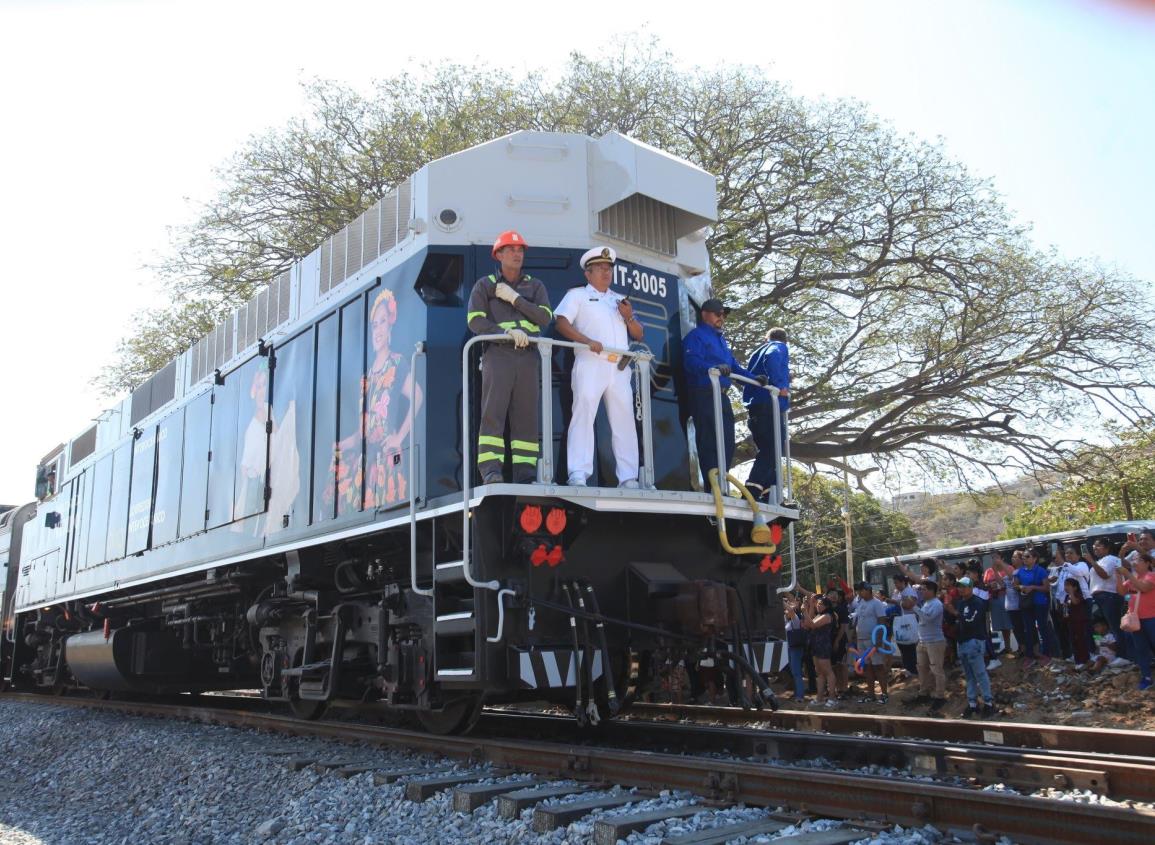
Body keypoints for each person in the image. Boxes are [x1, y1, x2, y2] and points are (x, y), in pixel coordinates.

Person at [553, 246, 645, 488]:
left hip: (619, 368)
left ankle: (628, 477)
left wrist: (629, 316)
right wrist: (586, 341)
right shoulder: (577, 296)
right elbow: (561, 322)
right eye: (601, 269)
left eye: (609, 269)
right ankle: (578, 474)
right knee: (583, 415)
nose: (606, 273)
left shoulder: (619, 300)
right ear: (588, 273)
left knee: (624, 420)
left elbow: (639, 334)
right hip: (590, 361)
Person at [466, 231, 553, 484]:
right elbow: (475, 321)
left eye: (520, 250)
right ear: (499, 254)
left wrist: (516, 299)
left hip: (528, 358)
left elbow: (545, 318)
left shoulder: (535, 286)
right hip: (498, 355)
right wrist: (504, 333)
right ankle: (491, 471)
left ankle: (525, 475)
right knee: (493, 413)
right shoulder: (485, 285)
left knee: (526, 417)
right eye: (511, 249)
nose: (517, 254)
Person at [682, 298, 754, 485]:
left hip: (721, 395)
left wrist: (756, 379)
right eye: (718, 314)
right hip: (703, 392)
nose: (722, 317)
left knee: (727, 441)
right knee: (709, 440)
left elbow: (734, 368)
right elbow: (691, 362)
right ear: (705, 314)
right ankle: (711, 485)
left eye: (724, 314)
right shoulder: (696, 336)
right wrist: (713, 367)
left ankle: (721, 481)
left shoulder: (721, 340)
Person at [742, 327, 789, 502]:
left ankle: (770, 492)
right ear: (785, 340)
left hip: (756, 408)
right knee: (773, 449)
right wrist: (780, 386)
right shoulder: (778, 346)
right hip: (769, 406)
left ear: (765, 338)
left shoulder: (757, 352)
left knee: (770, 452)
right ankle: (752, 489)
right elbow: (773, 357)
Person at [954, 577, 996, 718]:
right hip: (962, 642)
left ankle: (989, 703)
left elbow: (971, 621)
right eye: (959, 586)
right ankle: (972, 704)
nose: (961, 589)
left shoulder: (977, 602)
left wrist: (956, 615)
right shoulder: (960, 603)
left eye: (964, 586)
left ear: (971, 587)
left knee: (980, 673)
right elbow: (959, 623)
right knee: (969, 675)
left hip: (974, 641)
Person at [1116, 544, 1155, 691]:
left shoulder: (1151, 576)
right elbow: (1121, 591)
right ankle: (1146, 677)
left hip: (1152, 618)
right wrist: (1119, 576)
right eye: (1134, 560)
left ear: (1147, 563)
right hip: (1136, 620)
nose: (1134, 562)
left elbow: (1143, 588)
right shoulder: (1132, 578)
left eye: (1138, 560)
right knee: (1141, 649)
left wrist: (1127, 573)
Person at [908, 580, 948, 713]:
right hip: (923, 641)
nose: (921, 592)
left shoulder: (937, 604)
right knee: (922, 668)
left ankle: (940, 696)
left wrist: (915, 607)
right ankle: (923, 693)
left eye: (924, 589)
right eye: (921, 589)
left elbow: (928, 618)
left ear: (931, 591)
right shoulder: (926, 603)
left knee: (937, 669)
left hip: (935, 641)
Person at [1087, 537, 1128, 662]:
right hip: (1098, 597)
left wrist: (1091, 562)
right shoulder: (1100, 561)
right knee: (1100, 628)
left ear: (1107, 547)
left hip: (1109, 596)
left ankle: (1124, 656)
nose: (1095, 548)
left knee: (1115, 626)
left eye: (1098, 546)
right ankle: (1105, 655)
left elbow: (1105, 575)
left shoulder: (1111, 559)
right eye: (1094, 546)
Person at [1014, 547, 1055, 667]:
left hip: (1040, 603)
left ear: (1035, 558)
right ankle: (1030, 655)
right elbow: (1015, 585)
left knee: (1042, 628)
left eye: (1027, 557)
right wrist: (1021, 587)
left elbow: (1046, 588)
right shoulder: (1020, 571)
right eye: (1023, 557)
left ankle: (1046, 654)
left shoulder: (1041, 571)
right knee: (1028, 629)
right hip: (1027, 604)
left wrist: (1033, 587)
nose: (1024, 559)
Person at [851, 582, 889, 703]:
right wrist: (854, 635)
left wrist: (878, 640)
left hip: (872, 640)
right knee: (867, 667)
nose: (859, 593)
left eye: (861, 590)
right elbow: (858, 619)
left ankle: (884, 694)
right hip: (861, 639)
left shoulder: (877, 603)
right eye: (858, 591)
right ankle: (871, 694)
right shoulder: (860, 602)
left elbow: (882, 621)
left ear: (868, 590)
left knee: (878, 666)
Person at [802, 594, 839, 708]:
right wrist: (810, 607)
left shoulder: (827, 616)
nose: (818, 606)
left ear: (826, 605)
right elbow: (807, 624)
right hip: (815, 646)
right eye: (817, 604)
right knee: (819, 673)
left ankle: (832, 697)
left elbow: (812, 625)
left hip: (823, 645)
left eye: (820, 604)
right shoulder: (819, 615)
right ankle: (820, 698)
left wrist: (804, 611)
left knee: (828, 671)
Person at [1060, 578, 1091, 669]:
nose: (1066, 587)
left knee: (1080, 640)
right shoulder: (1066, 597)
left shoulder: (1078, 595)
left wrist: (1071, 593)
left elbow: (1075, 602)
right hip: (1070, 622)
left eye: (1068, 585)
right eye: (1065, 585)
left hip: (1079, 622)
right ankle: (1077, 659)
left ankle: (1084, 659)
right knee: (1073, 641)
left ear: (1075, 587)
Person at [783, 597, 808, 703]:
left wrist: (781, 601)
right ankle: (797, 692)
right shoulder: (787, 620)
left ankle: (800, 695)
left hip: (795, 649)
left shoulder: (796, 619)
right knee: (793, 672)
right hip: (789, 648)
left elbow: (791, 611)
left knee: (797, 672)